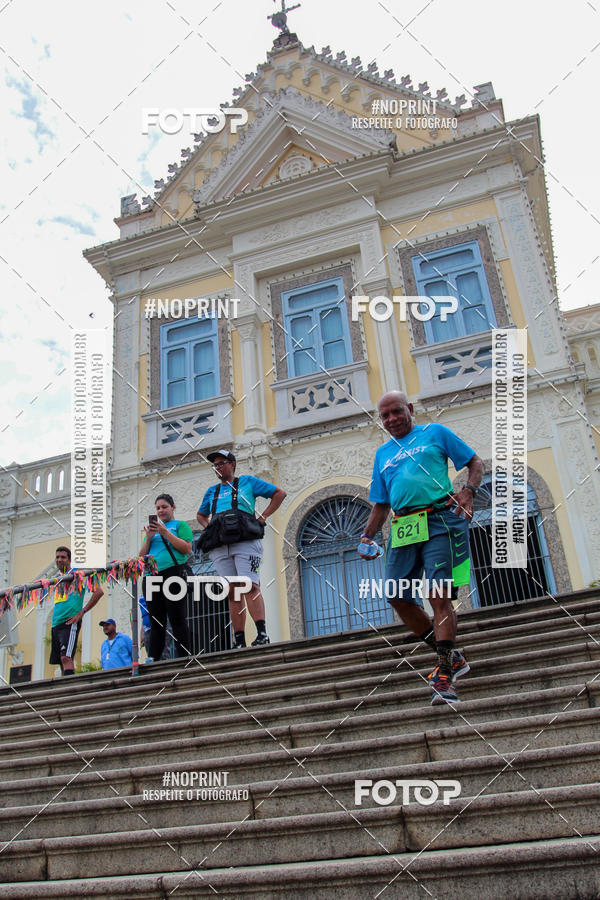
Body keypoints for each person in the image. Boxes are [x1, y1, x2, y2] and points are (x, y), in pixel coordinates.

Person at [360, 391, 484, 705]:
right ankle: (451, 656)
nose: (391, 420)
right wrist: (366, 536)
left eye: (397, 412)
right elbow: (381, 503)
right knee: (397, 596)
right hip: (403, 528)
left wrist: (468, 491)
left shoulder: (434, 433)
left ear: (410, 409)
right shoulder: (383, 453)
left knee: (438, 594)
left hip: (440, 519)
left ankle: (444, 677)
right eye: (385, 416)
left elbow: (474, 462)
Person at [196, 449, 286, 649]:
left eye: (222, 463)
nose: (218, 467)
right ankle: (239, 640)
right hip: (220, 546)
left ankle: (262, 634)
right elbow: (201, 515)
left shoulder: (247, 482)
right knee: (232, 592)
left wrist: (261, 518)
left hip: (245, 541)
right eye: (215, 465)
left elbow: (279, 494)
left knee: (251, 586)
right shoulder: (212, 491)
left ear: (232, 464)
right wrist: (210, 528)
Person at [139, 493, 193, 659]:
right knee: (156, 621)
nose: (161, 510)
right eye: (158, 508)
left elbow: (186, 548)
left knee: (177, 618)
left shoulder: (180, 525)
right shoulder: (152, 532)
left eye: (164, 507)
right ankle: (155, 658)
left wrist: (165, 532)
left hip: (173, 573)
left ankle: (184, 656)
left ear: (173, 507)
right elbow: (140, 559)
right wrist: (148, 539)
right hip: (151, 575)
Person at [49, 546, 104, 676]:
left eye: (63, 557)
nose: (60, 560)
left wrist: (82, 612)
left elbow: (99, 592)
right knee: (60, 661)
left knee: (66, 658)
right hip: (56, 623)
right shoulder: (57, 578)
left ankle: (70, 689)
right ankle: (63, 690)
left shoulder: (79, 574)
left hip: (70, 622)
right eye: (57, 557)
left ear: (70, 559)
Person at [139, 594, 171, 662]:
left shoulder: (159, 589)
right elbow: (144, 615)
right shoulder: (143, 595)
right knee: (151, 656)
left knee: (163, 652)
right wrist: (141, 632)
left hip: (161, 623)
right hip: (147, 627)